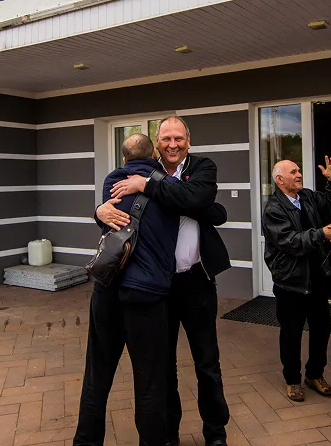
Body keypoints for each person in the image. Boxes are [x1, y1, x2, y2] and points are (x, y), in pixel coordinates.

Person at [96, 116, 231, 446]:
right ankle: (169, 434)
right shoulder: (141, 171)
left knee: (207, 362)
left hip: (197, 282)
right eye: (166, 138)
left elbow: (197, 200)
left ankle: (215, 435)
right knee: (163, 365)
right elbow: (117, 207)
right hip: (159, 286)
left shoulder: (201, 167)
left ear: (188, 141)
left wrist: (148, 186)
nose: (173, 144)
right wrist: (98, 212)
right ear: (156, 144)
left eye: (179, 138)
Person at [74, 133, 178, 446]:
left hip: (107, 288)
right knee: (150, 381)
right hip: (147, 294)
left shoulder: (112, 180)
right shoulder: (168, 187)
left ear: (123, 159)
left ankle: (86, 442)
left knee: (97, 374)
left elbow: (110, 216)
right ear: (156, 153)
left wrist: (97, 211)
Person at [261, 157, 331, 402]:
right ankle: (292, 380)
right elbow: (290, 241)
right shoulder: (273, 209)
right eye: (293, 172)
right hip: (290, 281)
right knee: (292, 333)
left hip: (316, 276)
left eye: (299, 170)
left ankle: (314, 375)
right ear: (280, 180)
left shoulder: (307, 197)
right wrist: (321, 234)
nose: (299, 174)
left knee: (322, 328)